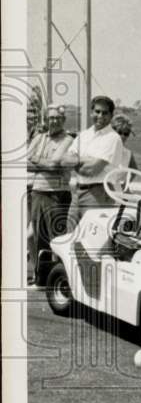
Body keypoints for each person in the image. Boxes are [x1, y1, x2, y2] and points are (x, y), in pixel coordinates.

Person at [27, 104, 74, 285]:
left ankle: (60, 281)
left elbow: (56, 166)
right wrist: (45, 163)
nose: (53, 121)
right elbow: (24, 162)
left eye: (57, 118)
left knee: (56, 239)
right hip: (38, 191)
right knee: (38, 239)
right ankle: (41, 280)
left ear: (63, 120)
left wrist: (36, 160)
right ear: (45, 119)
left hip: (57, 194)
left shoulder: (68, 140)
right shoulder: (39, 138)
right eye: (50, 117)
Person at [61, 95, 125, 222]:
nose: (100, 116)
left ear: (111, 115)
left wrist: (77, 161)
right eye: (97, 111)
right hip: (77, 193)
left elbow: (91, 171)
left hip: (98, 193)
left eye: (105, 113)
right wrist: (85, 160)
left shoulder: (113, 138)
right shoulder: (83, 135)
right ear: (91, 113)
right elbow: (64, 161)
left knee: (92, 238)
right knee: (71, 235)